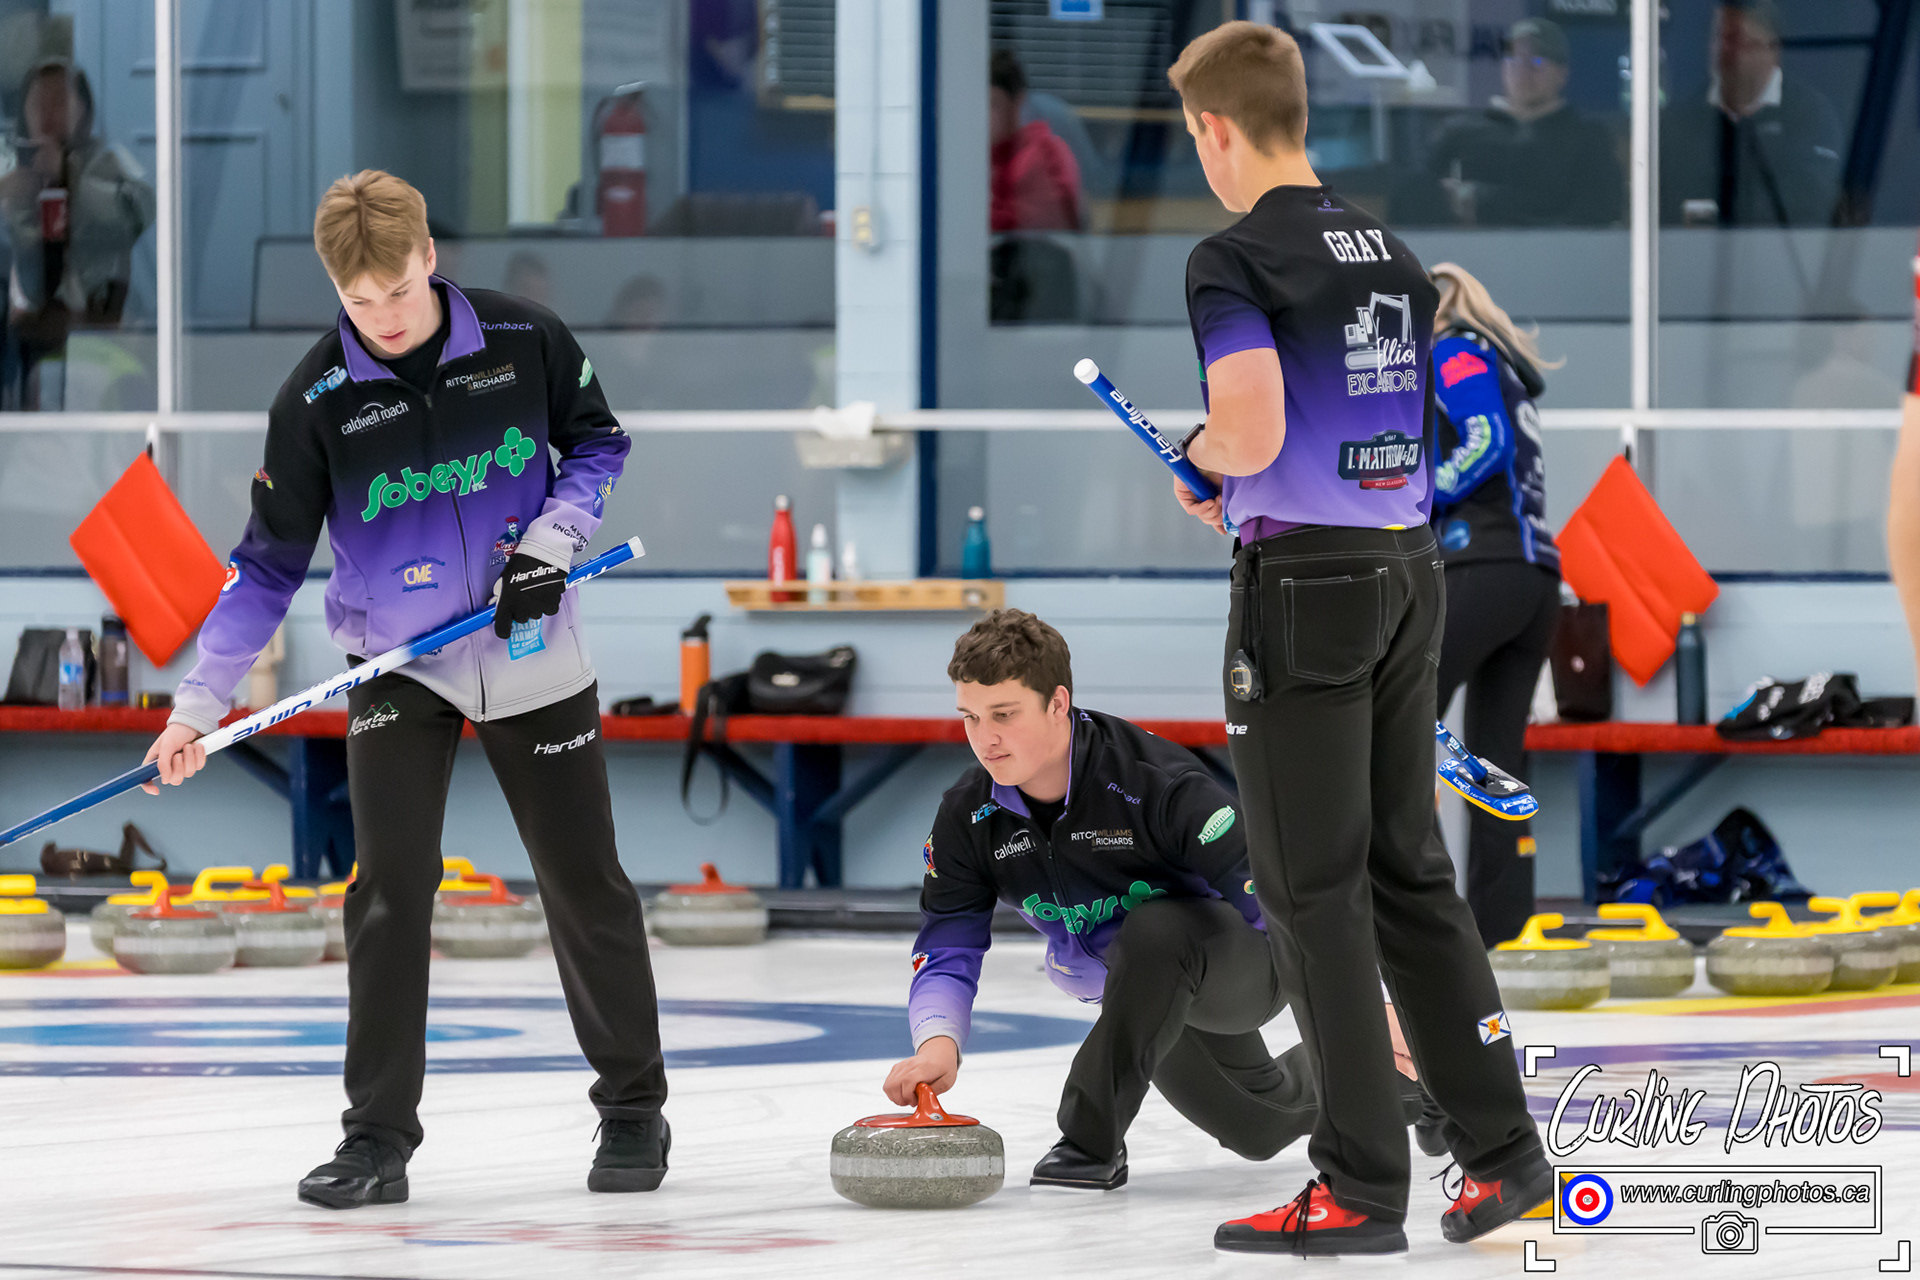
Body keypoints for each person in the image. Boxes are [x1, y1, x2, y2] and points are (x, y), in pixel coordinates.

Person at [140, 170, 669, 1208]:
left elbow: (599, 443)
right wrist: (197, 705)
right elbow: (266, 566)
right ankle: (376, 1138)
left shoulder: (521, 338)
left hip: (529, 646)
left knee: (581, 880)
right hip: (398, 664)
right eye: (358, 300)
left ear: (429, 257)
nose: (381, 318)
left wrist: (554, 542)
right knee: (387, 890)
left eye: (396, 291)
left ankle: (632, 1106)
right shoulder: (315, 399)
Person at [1164, 23, 1551, 1257]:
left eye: (1194, 137)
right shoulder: (1387, 248)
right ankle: (1503, 1151)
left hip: (1304, 590)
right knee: (1409, 873)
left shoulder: (1233, 256)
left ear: (1216, 129)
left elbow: (1250, 424)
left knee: (1309, 889)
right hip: (1407, 568)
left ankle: (1356, 1183)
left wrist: (1197, 455)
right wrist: (1247, 469)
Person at [886, 609, 1424, 1191]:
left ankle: (1089, 1143)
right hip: (1140, 990)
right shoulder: (968, 815)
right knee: (1259, 1123)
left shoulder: (1153, 781)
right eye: (970, 717)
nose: (984, 738)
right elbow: (948, 941)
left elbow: (1279, 900)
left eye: (1004, 714)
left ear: (1057, 703)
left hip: (1246, 961)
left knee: (1153, 930)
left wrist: (1367, 1005)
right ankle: (1428, 1087)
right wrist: (937, 1044)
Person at [1427, 262, 1563, 949]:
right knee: (1496, 765)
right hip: (1534, 579)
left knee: (1392, 725)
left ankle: (1416, 920)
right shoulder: (1502, 362)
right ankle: (1500, 936)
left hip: (1483, 567)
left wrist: (1418, 497)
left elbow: (1485, 440)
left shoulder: (1453, 350)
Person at [0, 57, 154, 410]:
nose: (48, 113)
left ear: (84, 110)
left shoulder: (109, 161)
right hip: (21, 330)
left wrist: (72, 179)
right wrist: (10, 192)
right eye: (38, 102)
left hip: (94, 325)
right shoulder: (9, 163)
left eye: (60, 101)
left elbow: (140, 212)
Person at [1659, 0, 1842, 227]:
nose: (1724, 50)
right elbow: (1664, 207)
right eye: (1718, 38)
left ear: (1771, 49)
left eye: (1735, 40)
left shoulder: (1809, 116)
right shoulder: (1679, 124)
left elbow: (1812, 203)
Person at [1425, 19, 1622, 228]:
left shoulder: (1587, 137)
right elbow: (1421, 196)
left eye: (1536, 62)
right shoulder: (1460, 130)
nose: (1523, 70)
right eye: (1513, 59)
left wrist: (1480, 200)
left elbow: (1597, 214)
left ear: (1562, 74)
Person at [990, 48, 1082, 233]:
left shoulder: (1044, 155)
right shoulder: (981, 157)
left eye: (993, 104)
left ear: (1017, 103)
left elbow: (1032, 226)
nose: (983, 116)